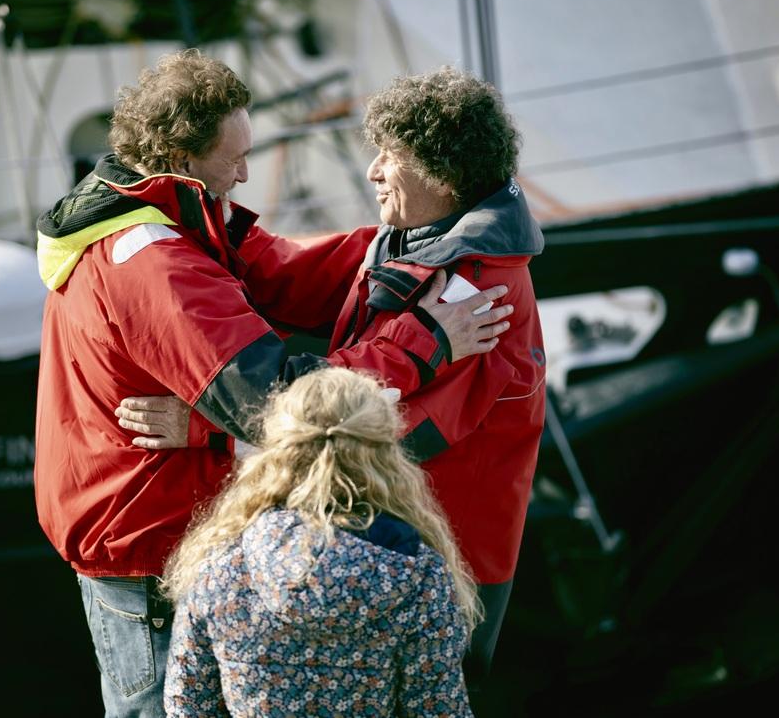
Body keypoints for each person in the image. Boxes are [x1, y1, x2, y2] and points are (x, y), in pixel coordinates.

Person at [33, 50, 512, 717]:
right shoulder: (156, 262)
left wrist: (414, 242)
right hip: (146, 558)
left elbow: (285, 273)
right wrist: (426, 340)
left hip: (154, 537)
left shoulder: (162, 211)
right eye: (234, 157)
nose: (246, 172)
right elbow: (284, 404)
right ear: (181, 152)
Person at [161, 367, 479, 717]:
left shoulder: (219, 571)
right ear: (385, 454)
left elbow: (187, 708)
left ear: (276, 449)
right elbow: (439, 711)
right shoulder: (420, 578)